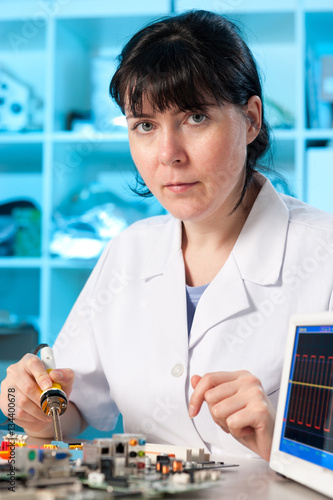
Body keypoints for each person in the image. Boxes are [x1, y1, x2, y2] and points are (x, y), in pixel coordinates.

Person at [1, 10, 332, 462]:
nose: (167, 154)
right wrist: (41, 411)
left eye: (195, 117)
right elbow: (75, 407)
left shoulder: (323, 254)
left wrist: (281, 442)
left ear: (251, 120)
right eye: (145, 125)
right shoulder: (129, 251)